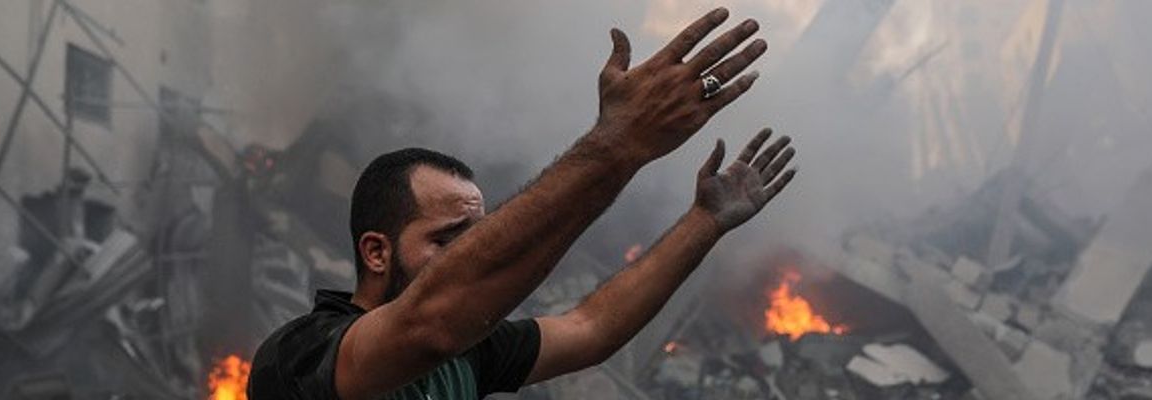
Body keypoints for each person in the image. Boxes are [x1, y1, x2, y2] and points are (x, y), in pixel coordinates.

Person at [248, 7, 797, 400]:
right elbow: (426, 328)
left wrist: (704, 223)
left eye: (480, 235)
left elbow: (592, 328)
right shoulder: (302, 353)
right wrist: (620, 145)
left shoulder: (473, 352)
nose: (477, 257)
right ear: (376, 252)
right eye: (447, 240)